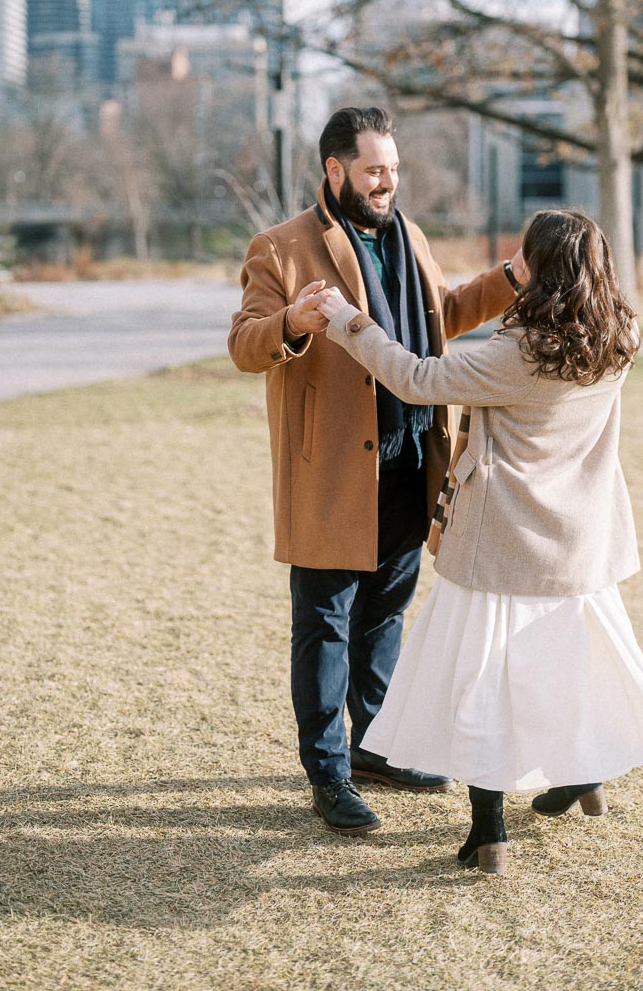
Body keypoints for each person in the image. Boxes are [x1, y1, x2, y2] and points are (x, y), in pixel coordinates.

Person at [317, 206, 643, 873]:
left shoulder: (518, 355)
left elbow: (416, 379)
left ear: (541, 268)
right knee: (576, 664)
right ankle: (583, 776)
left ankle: (489, 834)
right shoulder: (620, 336)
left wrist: (350, 324)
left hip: (504, 542)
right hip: (580, 542)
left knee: (482, 682)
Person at [228, 106, 524, 834]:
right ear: (335, 170)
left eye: (392, 168)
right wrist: (293, 323)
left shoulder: (410, 236)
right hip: (330, 470)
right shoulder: (279, 247)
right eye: (374, 169)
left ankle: (376, 747)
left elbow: (442, 314)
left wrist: (511, 277)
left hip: (414, 460)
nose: (388, 181)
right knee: (324, 624)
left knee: (385, 614)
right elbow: (243, 344)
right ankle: (328, 772)